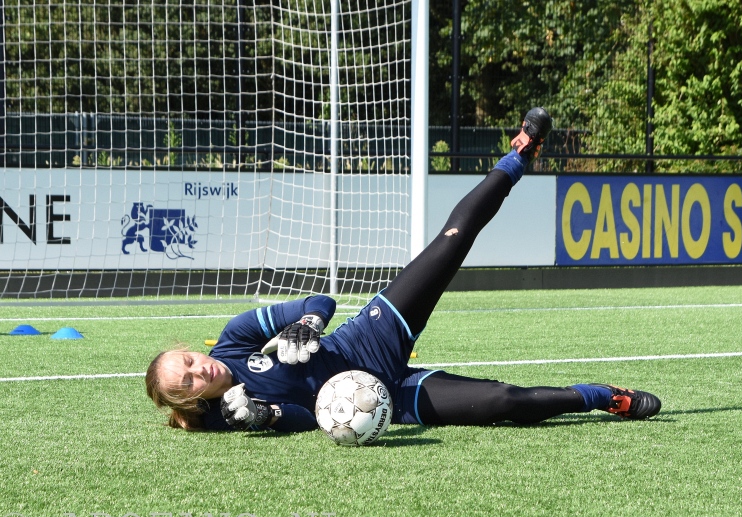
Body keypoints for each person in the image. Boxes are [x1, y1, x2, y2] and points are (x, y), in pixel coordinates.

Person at [145, 107, 661, 433]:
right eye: (187, 380)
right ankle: (603, 398)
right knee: (503, 401)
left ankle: (517, 155)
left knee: (450, 244)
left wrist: (306, 324)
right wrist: (271, 417)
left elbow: (317, 302)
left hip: (366, 341)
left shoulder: (234, 340)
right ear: (186, 402)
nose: (199, 369)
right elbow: (304, 418)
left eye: (188, 359)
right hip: (387, 399)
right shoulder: (223, 418)